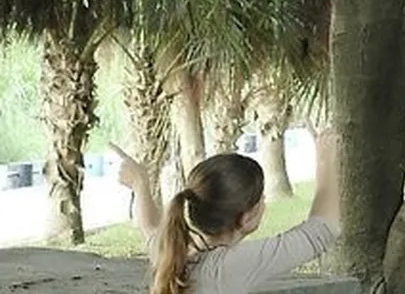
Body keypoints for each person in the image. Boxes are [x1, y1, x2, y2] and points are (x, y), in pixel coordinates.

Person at [110, 125, 340, 294]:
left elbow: (150, 227)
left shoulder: (172, 252)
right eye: (261, 199)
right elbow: (320, 233)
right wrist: (325, 161)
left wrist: (140, 185)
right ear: (246, 218)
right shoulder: (227, 267)